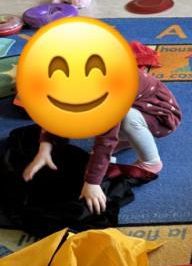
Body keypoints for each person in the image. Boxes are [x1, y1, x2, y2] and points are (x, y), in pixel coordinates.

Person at [22, 42, 181, 215]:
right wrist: (44, 148)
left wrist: (92, 183)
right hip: (132, 105)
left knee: (125, 118)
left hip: (160, 116)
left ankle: (151, 162)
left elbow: (106, 140)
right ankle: (126, 139)